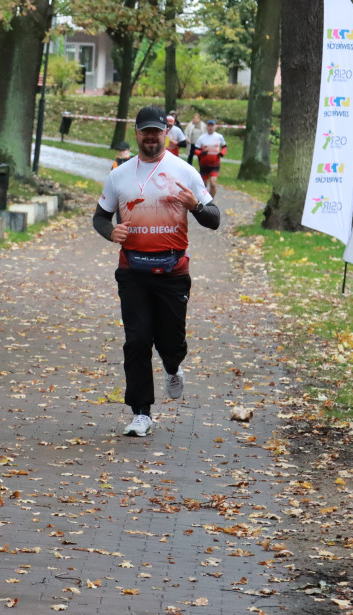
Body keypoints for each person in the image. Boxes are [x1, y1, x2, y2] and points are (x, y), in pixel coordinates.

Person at [92, 105, 220, 437]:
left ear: (166, 133)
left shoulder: (185, 171)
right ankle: (141, 412)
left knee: (171, 341)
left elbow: (214, 219)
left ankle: (173, 365)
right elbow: (100, 217)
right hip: (132, 270)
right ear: (137, 133)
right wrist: (110, 232)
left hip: (173, 270)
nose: (151, 137)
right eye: (145, 132)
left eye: (156, 132)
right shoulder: (119, 174)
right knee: (136, 340)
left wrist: (195, 206)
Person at [195, 119, 228, 199]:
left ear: (215, 127)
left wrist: (222, 153)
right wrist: (201, 153)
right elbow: (196, 149)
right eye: (209, 126)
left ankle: (210, 200)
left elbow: (224, 147)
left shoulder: (219, 137)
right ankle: (203, 199)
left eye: (212, 126)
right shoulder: (202, 138)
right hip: (204, 164)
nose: (210, 127)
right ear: (207, 127)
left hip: (215, 164)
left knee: (213, 184)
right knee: (204, 185)